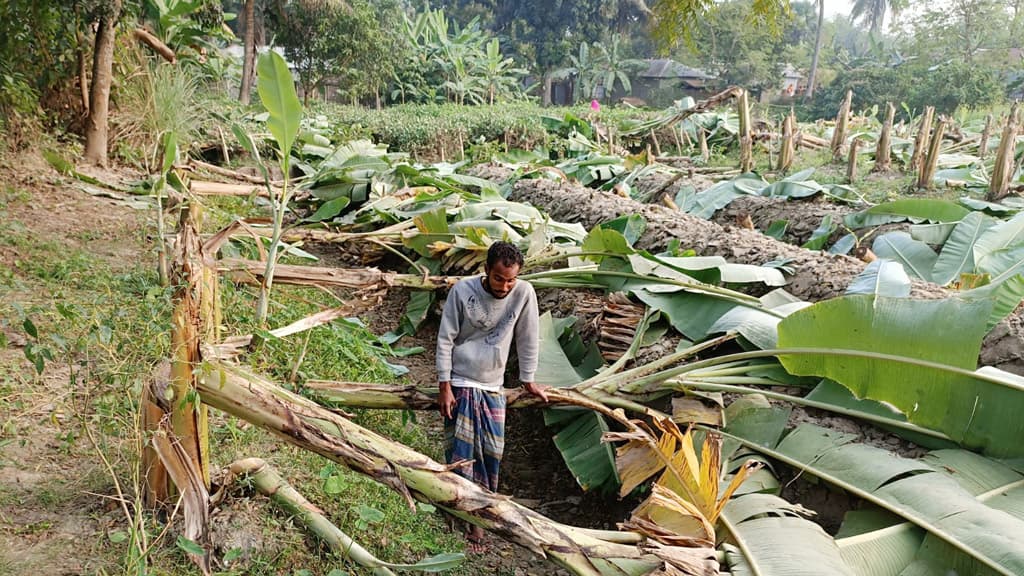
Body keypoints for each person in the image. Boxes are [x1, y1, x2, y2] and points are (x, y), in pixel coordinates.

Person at [435, 241, 549, 552]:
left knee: (491, 454)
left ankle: (481, 513)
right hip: (460, 380)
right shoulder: (462, 291)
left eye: (511, 279)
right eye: (499, 278)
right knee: (461, 452)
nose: (505, 286)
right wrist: (444, 385)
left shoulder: (524, 293)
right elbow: (445, 338)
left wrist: (528, 381)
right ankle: (464, 515)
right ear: (487, 270)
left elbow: (528, 338)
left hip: (493, 386)